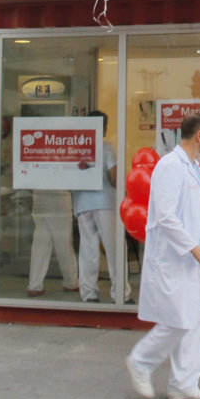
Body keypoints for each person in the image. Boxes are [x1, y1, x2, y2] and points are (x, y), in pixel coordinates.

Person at [126, 112, 200, 399]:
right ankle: (141, 361)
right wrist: (194, 248)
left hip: (193, 260)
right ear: (199, 135)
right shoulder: (171, 167)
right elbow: (166, 217)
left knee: (193, 321)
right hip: (175, 258)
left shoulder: (195, 169)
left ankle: (182, 384)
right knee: (179, 319)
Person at [73, 110, 131, 303]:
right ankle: (121, 293)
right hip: (105, 203)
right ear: (104, 128)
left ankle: (89, 294)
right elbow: (114, 178)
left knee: (88, 250)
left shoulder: (76, 148)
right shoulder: (106, 147)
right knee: (114, 249)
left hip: (82, 204)